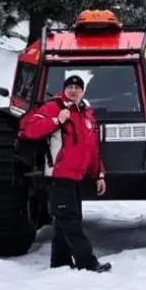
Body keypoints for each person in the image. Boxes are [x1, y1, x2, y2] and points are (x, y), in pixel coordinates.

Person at [17, 74, 111, 273]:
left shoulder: (86, 115)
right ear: (64, 89)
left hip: (76, 177)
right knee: (71, 220)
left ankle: (60, 264)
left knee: (63, 221)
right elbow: (28, 129)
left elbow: (92, 151)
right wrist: (56, 121)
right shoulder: (54, 107)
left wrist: (99, 175)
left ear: (83, 92)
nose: (74, 91)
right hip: (58, 176)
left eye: (78, 88)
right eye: (70, 87)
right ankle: (88, 262)